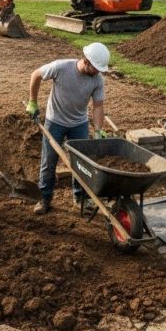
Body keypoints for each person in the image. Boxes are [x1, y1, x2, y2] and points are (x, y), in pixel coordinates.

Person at [27, 42, 110, 215]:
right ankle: (44, 198)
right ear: (86, 61)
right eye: (96, 68)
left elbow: (98, 106)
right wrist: (32, 102)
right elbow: (36, 75)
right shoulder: (61, 67)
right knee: (48, 162)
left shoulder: (97, 79)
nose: (98, 72)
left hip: (79, 124)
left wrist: (97, 129)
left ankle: (80, 199)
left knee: (81, 163)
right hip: (54, 121)